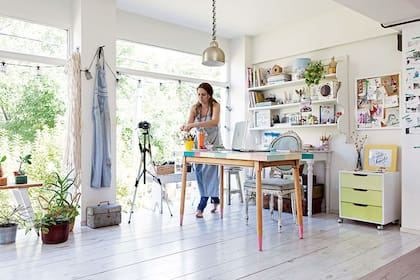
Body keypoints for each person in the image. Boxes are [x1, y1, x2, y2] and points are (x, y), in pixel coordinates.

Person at [181, 82, 222, 218]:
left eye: (203, 94)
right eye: (198, 94)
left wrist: (195, 124)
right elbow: (189, 125)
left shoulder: (215, 106)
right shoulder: (195, 108)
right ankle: (215, 198)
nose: (200, 97)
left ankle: (202, 202)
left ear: (209, 95)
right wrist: (186, 127)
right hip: (201, 142)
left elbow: (214, 122)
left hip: (214, 142)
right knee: (198, 168)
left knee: (210, 169)